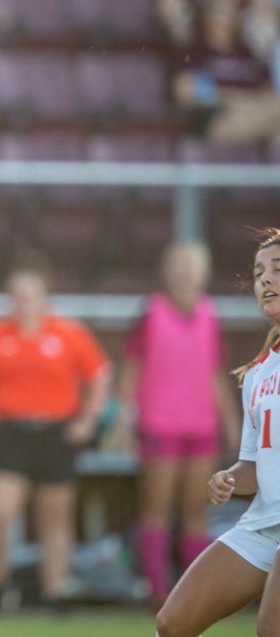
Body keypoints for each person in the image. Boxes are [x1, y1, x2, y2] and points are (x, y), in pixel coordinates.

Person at [154, 228, 280, 637]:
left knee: (271, 627)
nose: (265, 280)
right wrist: (228, 478)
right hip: (264, 522)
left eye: (277, 270)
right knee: (173, 624)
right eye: (259, 272)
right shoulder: (259, 371)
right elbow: (254, 466)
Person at [0, 256, 110, 611]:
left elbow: (100, 374)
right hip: (9, 432)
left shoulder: (68, 333)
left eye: (29, 293)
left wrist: (88, 419)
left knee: (55, 518)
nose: (23, 300)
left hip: (55, 433)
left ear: (45, 295)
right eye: (16, 294)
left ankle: (54, 591)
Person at [112, 243, 240, 607]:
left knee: (195, 510)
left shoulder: (209, 313)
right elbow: (131, 369)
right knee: (156, 507)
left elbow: (216, 372)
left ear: (205, 272)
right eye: (179, 265)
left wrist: (230, 420)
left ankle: (193, 592)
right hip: (159, 423)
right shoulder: (151, 313)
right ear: (165, 271)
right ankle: (157, 590)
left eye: (193, 266)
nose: (186, 273)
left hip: (201, 424)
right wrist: (124, 419)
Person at [171, 0, 280, 145]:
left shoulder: (248, 52)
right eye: (219, 9)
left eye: (230, 10)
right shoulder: (196, 50)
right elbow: (183, 89)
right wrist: (235, 100)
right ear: (206, 14)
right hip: (219, 121)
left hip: (258, 118)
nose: (225, 16)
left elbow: (268, 91)